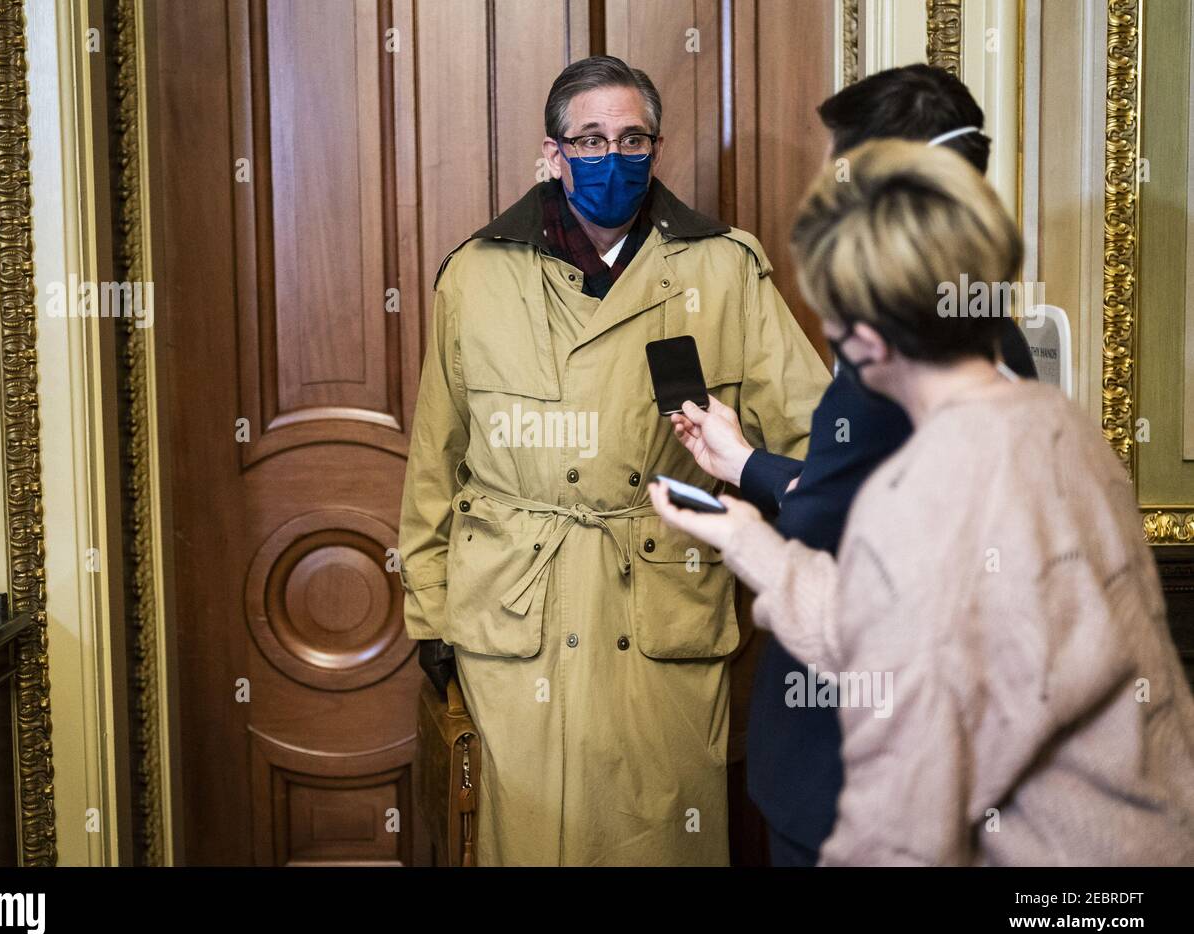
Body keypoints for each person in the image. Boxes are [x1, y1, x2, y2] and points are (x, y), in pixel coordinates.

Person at [651, 139, 1194, 865]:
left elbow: (901, 830)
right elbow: (917, 633)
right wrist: (757, 546)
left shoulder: (919, 490)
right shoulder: (1060, 426)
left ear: (865, 339)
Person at [397, 55, 829, 865]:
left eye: (633, 139)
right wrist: (430, 613)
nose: (613, 157)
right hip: (516, 616)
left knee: (660, 840)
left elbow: (814, 439)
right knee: (524, 840)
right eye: (589, 140)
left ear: (656, 149)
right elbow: (436, 462)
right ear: (554, 154)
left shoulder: (724, 269)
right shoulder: (477, 276)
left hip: (660, 609)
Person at [669, 63, 1038, 867]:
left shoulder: (908, 345)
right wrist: (745, 462)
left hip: (859, 773)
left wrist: (742, 529)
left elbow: (833, 538)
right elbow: (866, 491)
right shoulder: (972, 324)